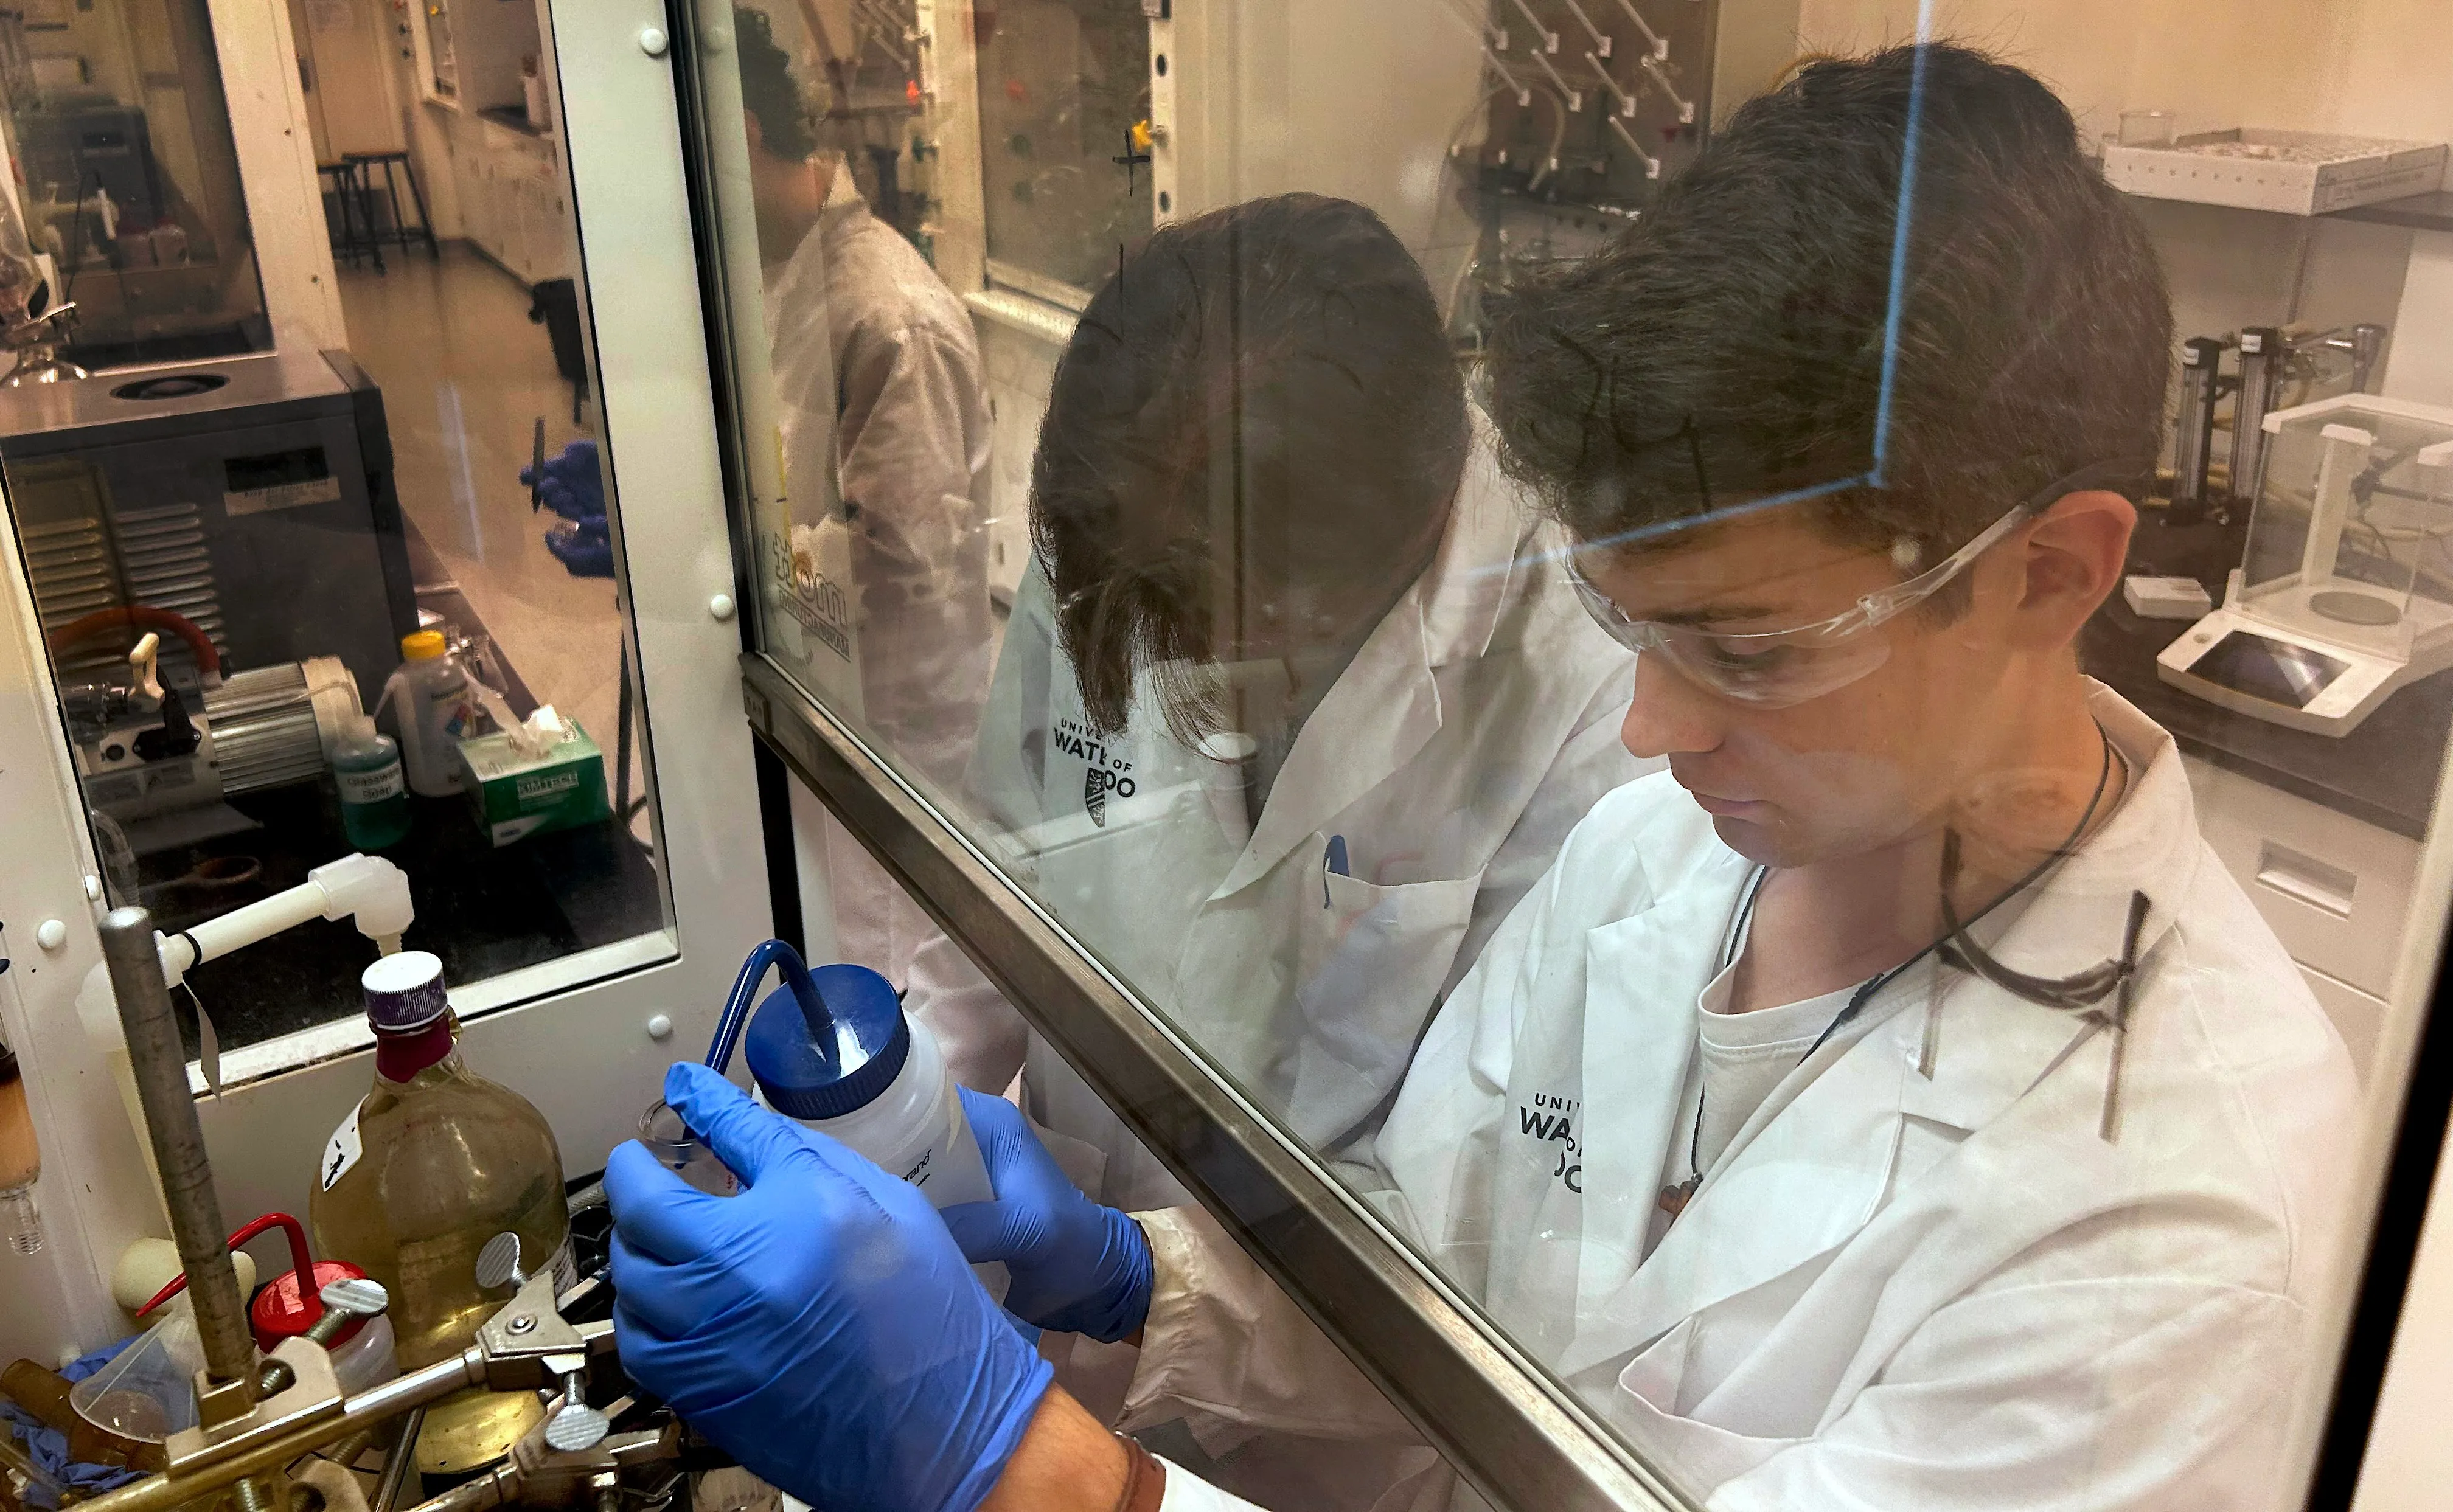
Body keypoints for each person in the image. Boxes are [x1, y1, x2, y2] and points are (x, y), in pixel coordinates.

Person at [604, 43, 2361, 1512]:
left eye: (1750, 648)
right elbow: (1443, 1305)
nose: (1651, 729)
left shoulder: (2175, 1237)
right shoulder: (1656, 868)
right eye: (1628, 619)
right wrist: (1152, 1284)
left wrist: (1027, 1470)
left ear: (2055, 570)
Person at [905, 191, 1644, 1218]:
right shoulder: (1124, 517)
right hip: (1065, 1232)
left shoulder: (1593, 684)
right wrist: (896, 1133)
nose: (1190, 673)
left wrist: (1146, 1289)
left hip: (1308, 1333)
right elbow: (1008, 850)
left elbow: (1474, 1188)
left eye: (1238, 634)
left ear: (1405, 540)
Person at [736, 3, 997, 980]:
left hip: (893, 745)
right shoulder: (783, 277)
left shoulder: (888, 316)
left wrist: (760, 561)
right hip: (823, 710)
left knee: (898, 1004)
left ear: (748, 135)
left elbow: (913, 583)